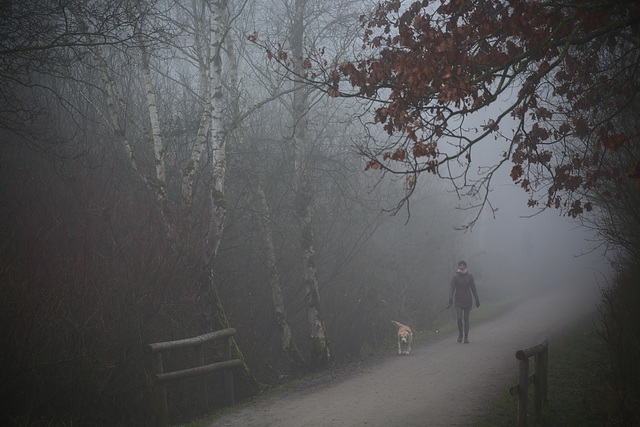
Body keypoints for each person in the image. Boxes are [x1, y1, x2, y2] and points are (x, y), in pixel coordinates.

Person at [448, 260, 480, 343]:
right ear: (458, 267)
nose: (462, 267)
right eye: (460, 265)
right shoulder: (455, 276)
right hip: (458, 300)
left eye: (463, 265)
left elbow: (473, 288)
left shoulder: (469, 276)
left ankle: (466, 336)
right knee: (459, 318)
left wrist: (477, 299)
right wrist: (450, 298)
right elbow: (452, 288)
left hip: (467, 300)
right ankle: (460, 334)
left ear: (465, 266)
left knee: (466, 319)